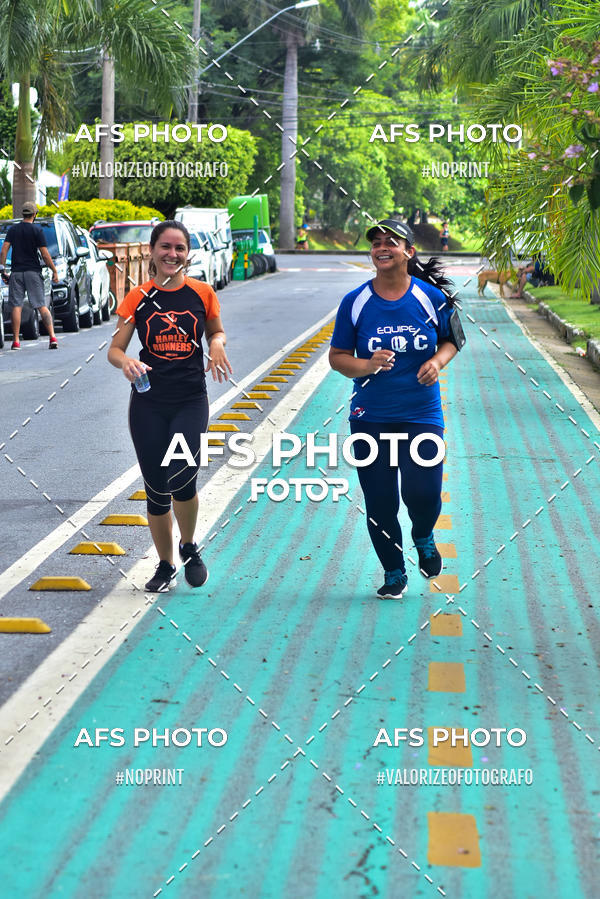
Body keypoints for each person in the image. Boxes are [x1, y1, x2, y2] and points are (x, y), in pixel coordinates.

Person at [329, 219, 465, 599]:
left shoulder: (430, 297)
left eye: (391, 242)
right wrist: (368, 365)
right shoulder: (355, 302)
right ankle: (393, 571)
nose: (382, 247)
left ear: (409, 251)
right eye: (376, 243)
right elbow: (338, 358)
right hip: (371, 418)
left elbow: (454, 339)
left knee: (423, 494)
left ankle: (422, 534)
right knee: (380, 502)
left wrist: (437, 362)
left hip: (421, 414)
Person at [107, 220, 233, 593]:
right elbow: (115, 348)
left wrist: (218, 345)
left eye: (179, 248)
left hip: (191, 399)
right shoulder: (137, 297)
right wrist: (125, 362)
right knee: (156, 488)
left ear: (187, 254)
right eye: (166, 247)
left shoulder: (202, 293)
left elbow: (217, 330)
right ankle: (165, 565)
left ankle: (189, 544)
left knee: (182, 474)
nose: (172, 254)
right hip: (148, 403)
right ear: (152, 250)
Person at [0, 201, 59, 349]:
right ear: (34, 214)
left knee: (16, 306)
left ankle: (15, 341)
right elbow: (45, 254)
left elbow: (4, 250)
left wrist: (2, 269)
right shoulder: (37, 231)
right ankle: (52, 338)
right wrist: (54, 270)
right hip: (33, 272)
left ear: (23, 214)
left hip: (17, 272)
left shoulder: (13, 230)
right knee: (41, 305)